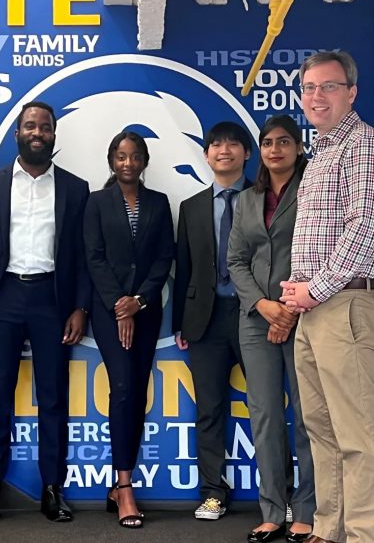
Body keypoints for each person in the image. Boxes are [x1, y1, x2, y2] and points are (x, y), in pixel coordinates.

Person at [0, 101, 91, 527]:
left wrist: (79, 307)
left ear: (54, 134)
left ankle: (52, 490)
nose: (37, 132)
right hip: (2, 299)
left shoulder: (76, 188)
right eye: (29, 126)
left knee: (54, 398)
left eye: (44, 127)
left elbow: (81, 254)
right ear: (18, 133)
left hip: (52, 300)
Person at [280, 52, 374, 543]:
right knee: (323, 430)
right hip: (314, 311)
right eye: (309, 88)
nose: (316, 97)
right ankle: (330, 528)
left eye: (328, 87)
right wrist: (300, 289)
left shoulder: (362, 144)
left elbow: (365, 228)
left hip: (345, 306)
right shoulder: (319, 153)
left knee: (358, 435)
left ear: (351, 93)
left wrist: (313, 288)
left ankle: (363, 534)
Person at [227, 115, 315, 543]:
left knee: (307, 416)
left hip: (306, 315)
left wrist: (289, 309)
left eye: (284, 141)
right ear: (259, 151)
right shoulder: (246, 200)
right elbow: (236, 261)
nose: (275, 148)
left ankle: (307, 512)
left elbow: (318, 249)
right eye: (267, 142)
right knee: (263, 416)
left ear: (298, 148)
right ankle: (271, 511)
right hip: (256, 319)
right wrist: (263, 306)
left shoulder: (314, 191)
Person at [83, 131, 173, 529]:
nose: (127, 163)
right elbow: (93, 256)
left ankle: (119, 481)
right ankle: (124, 486)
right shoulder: (96, 202)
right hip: (108, 311)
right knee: (121, 387)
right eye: (120, 156)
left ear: (144, 160)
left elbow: (163, 257)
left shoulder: (159, 202)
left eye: (135, 156)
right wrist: (120, 305)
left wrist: (140, 301)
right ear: (111, 159)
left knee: (136, 389)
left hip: (147, 310)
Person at [172, 122, 252, 520]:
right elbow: (183, 269)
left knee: (269, 406)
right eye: (216, 144)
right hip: (205, 321)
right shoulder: (191, 207)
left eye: (233, 144)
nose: (224, 150)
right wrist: (180, 324)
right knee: (209, 409)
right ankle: (213, 493)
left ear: (246, 154)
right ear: (206, 155)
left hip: (256, 316)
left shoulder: (265, 198)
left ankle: (283, 495)